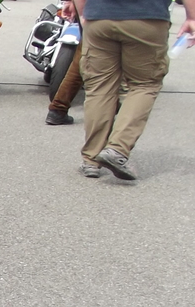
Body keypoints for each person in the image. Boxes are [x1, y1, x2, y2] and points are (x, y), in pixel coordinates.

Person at [74, 0, 195, 179]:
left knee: (99, 88)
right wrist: (192, 17)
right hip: (147, 18)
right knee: (145, 84)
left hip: (99, 17)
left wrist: (84, 13)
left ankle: (91, 159)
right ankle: (117, 149)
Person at [46, 2, 83, 125]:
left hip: (93, 13)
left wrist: (70, 2)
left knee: (82, 60)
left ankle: (58, 109)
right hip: (129, 15)